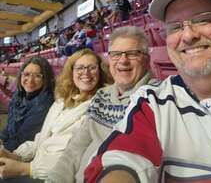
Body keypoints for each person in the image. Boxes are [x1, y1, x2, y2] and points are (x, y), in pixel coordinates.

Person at [84, 0, 211, 183]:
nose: (188, 35)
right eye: (175, 27)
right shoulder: (152, 101)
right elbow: (122, 158)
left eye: (202, 19)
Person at [45, 26, 156, 183]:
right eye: (116, 54)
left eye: (132, 54)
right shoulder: (101, 96)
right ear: (109, 60)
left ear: (147, 60)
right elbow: (74, 148)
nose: (123, 60)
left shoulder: (156, 98)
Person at [0, 49, 110, 182]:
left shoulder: (100, 107)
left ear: (100, 72)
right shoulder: (62, 101)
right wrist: (14, 155)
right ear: (71, 72)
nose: (85, 72)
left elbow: (72, 155)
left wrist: (26, 167)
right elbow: (41, 140)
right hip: (35, 164)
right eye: (80, 68)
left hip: (52, 174)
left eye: (92, 68)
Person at [0, 57, 55, 152]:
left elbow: (21, 141)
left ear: (45, 79)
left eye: (38, 76)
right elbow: (9, 126)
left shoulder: (42, 105)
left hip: (18, 153)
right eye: (26, 74)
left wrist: (2, 148)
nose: (30, 80)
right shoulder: (19, 93)